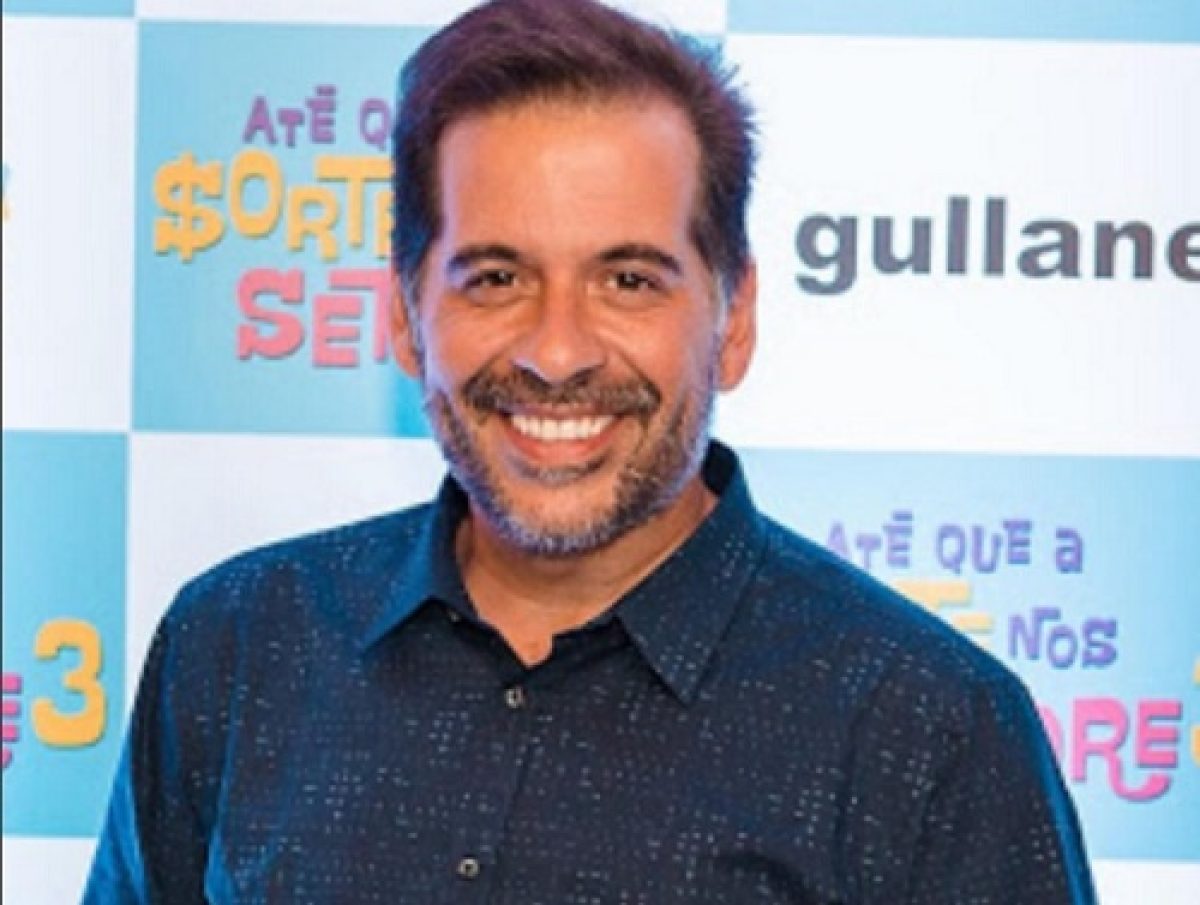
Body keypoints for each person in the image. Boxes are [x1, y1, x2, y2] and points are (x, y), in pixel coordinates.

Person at [85, 0, 1097, 902]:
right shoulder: (241, 644)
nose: (557, 352)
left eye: (628, 281)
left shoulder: (929, 729)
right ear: (404, 316)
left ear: (734, 317)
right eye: (495, 278)